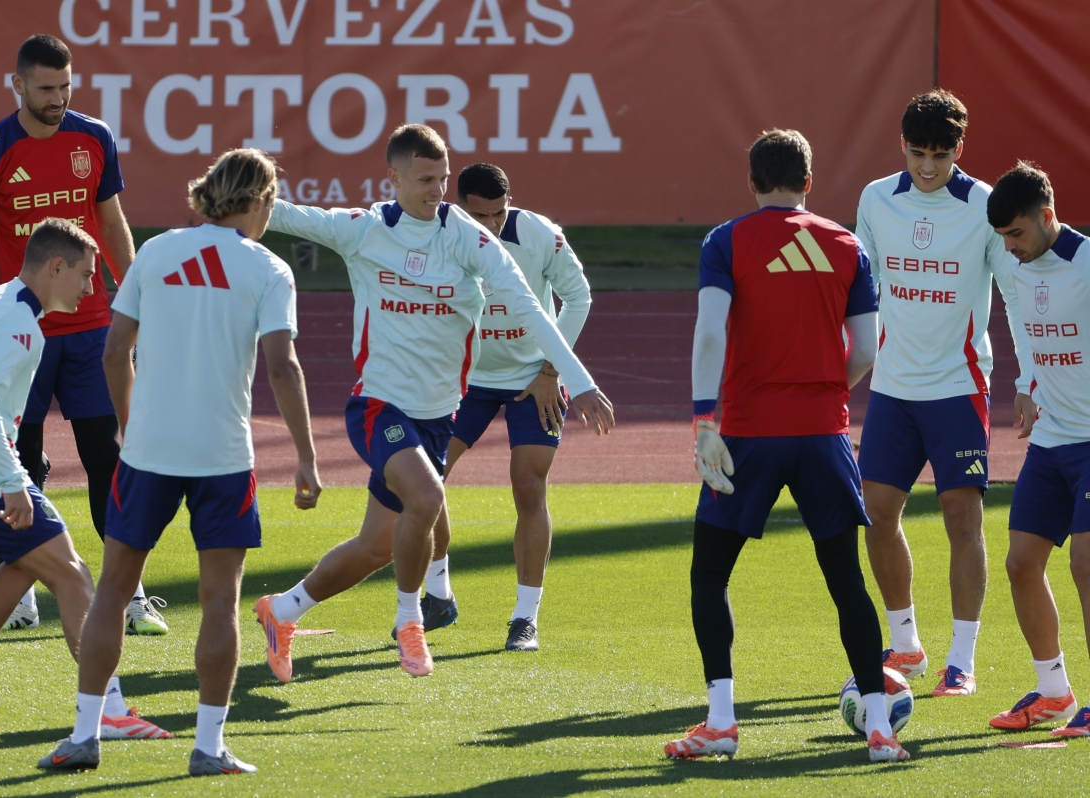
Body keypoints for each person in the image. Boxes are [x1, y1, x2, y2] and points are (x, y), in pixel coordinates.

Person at [254, 124, 614, 681]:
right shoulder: (362, 229)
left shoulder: (468, 237)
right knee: (426, 497)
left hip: (437, 414)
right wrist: (247, 178)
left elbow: (530, 307)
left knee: (376, 546)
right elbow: (281, 214)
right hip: (379, 406)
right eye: (424, 179)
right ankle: (411, 622)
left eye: (442, 179)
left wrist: (577, 379)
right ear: (392, 177)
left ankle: (281, 611)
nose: (436, 190)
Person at [39, 150, 320, 775]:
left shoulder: (158, 252)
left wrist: (127, 424)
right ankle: (208, 746)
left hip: (149, 452)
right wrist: (305, 455)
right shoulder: (270, 269)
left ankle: (86, 734)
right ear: (262, 200)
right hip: (222, 453)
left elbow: (116, 352)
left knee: (112, 589)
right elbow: (283, 366)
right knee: (219, 602)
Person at [667, 129, 907, 763]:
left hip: (748, 432)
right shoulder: (847, 244)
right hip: (824, 435)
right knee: (847, 582)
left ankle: (721, 720)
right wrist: (826, 390)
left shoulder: (726, 240)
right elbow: (867, 348)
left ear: (752, 182)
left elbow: (710, 330)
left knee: (709, 577)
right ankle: (880, 730)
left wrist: (702, 419)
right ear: (809, 180)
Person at [0, 218, 168, 742]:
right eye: (87, 275)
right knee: (71, 573)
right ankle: (108, 711)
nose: (93, 288)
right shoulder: (20, 327)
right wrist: (12, 481)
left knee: (28, 561)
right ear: (56, 266)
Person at [0, 34, 166, 634]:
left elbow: (113, 225)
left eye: (66, 85)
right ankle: (19, 589)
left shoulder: (93, 137)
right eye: (46, 87)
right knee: (20, 464)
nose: (58, 98)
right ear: (16, 85)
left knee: (110, 456)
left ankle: (131, 591)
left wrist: (140, 301)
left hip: (92, 329)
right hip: (20, 332)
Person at [854, 90, 1035, 698]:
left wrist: (1027, 380)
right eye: (916, 153)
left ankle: (963, 660)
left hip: (959, 388)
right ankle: (904, 643)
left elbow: (1015, 296)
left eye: (940, 155)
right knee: (875, 514)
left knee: (963, 518)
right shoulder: (877, 199)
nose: (927, 167)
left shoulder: (984, 205)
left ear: (960, 149)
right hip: (893, 387)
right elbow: (861, 289)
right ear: (900, 145)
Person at [418, 162, 592, 651]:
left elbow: (578, 297)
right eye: (481, 217)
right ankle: (438, 594)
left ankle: (524, 619)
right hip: (464, 379)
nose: (491, 226)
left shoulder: (539, 234)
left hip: (531, 379)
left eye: (499, 214)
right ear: (458, 205)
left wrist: (551, 372)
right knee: (426, 480)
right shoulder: (436, 234)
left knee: (529, 486)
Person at [985, 164, 1090, 735]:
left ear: (1047, 217)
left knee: (1086, 565)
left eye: (1017, 235)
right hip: (1051, 443)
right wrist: (1027, 385)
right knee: (1021, 564)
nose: (1010, 248)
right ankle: (1053, 692)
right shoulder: (1022, 270)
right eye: (1002, 239)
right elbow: (1027, 329)